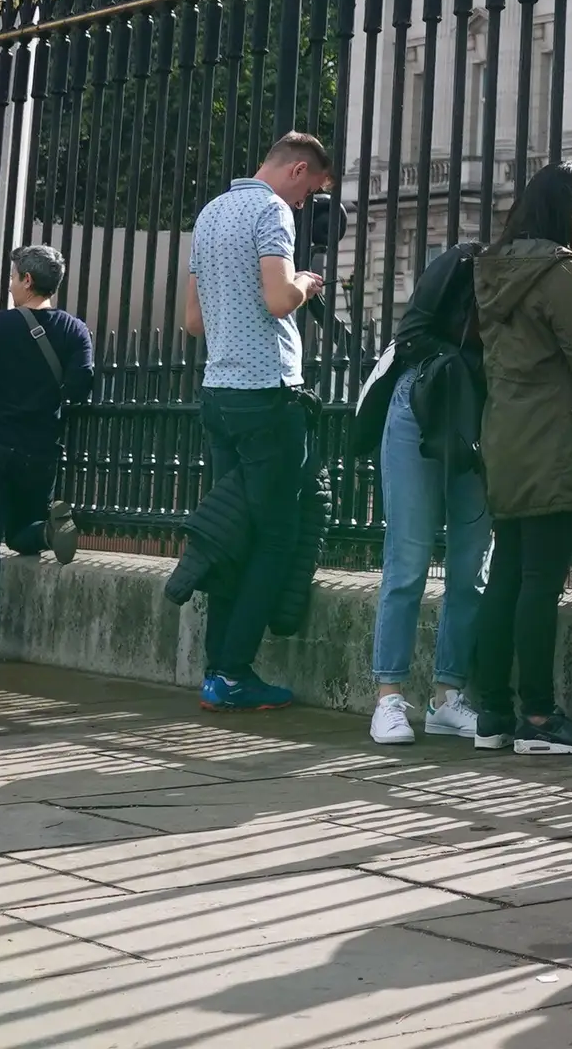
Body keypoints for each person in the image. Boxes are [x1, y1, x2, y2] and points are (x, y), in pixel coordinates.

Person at [468, 164, 572, 756]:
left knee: (505, 576)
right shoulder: (558, 269)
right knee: (540, 583)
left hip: (505, 436)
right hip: (554, 440)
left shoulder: (493, 267)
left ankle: (491, 715)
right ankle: (538, 717)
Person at [180, 130, 333, 711]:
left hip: (217, 392)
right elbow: (277, 300)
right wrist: (306, 282)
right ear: (296, 170)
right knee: (275, 534)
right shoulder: (271, 211)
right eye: (309, 193)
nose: (303, 205)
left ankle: (217, 669)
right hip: (267, 392)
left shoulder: (213, 210)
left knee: (232, 534)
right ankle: (235, 672)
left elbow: (193, 320)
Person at [369, 232, 490, 742]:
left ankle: (447, 698)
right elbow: (413, 333)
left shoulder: (543, 278)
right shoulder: (464, 261)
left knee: (471, 567)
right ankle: (388, 697)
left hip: (480, 422)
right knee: (409, 561)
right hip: (422, 409)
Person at [0, 242, 93, 662]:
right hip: (38, 448)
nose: (11, 284)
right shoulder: (75, 330)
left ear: (27, 280)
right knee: (20, 532)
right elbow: (81, 384)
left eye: (14, 277)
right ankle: (49, 532)